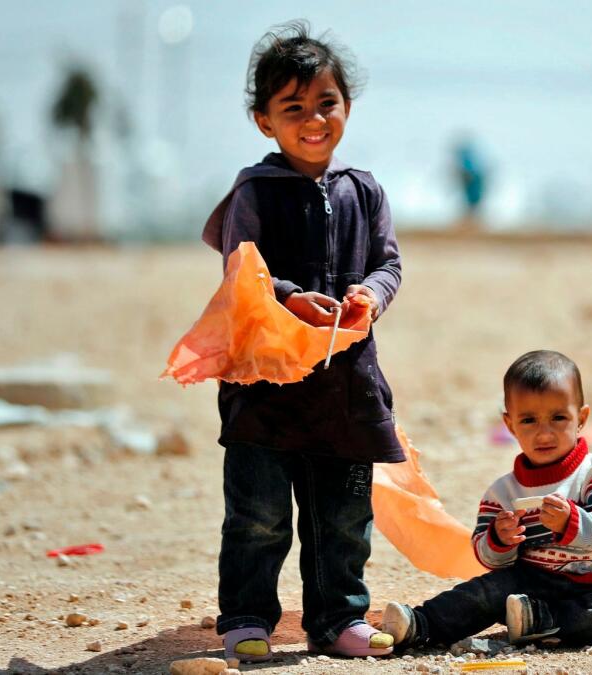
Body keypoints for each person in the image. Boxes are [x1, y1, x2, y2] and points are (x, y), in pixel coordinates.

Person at [198, 21, 404, 661]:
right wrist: (289, 296)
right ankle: (247, 617)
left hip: (345, 387)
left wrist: (370, 292)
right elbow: (242, 265)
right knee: (258, 516)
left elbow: (389, 263)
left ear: (346, 107)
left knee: (343, 518)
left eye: (326, 104)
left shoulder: (364, 189)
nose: (313, 119)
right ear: (265, 121)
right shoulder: (255, 190)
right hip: (265, 387)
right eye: (293, 108)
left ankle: (338, 619)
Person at [377, 350, 592, 648]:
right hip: (528, 587)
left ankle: (542, 621)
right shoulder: (503, 492)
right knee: (484, 590)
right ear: (510, 424)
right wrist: (500, 539)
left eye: (558, 418)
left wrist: (573, 522)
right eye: (529, 420)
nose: (544, 433)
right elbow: (486, 555)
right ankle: (420, 623)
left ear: (581, 418)